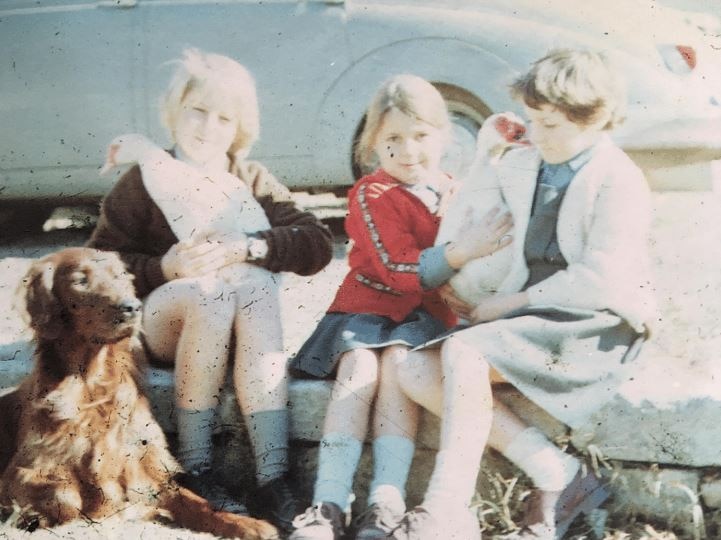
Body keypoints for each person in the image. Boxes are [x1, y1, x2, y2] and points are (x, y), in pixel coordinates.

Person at [386, 48, 656, 540]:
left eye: (550, 126)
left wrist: (509, 305)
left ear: (595, 118)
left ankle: (446, 508)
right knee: (414, 368)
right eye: (532, 121)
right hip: (531, 320)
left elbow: (601, 279)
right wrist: (489, 154)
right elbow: (468, 214)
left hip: (594, 324)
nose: (535, 135)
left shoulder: (618, 178)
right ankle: (559, 472)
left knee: (464, 353)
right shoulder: (529, 161)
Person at [86, 48, 334, 534]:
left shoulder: (248, 177)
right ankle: (195, 466)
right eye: (197, 110)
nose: (208, 126)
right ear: (173, 112)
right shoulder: (144, 180)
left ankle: (272, 475)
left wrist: (249, 246)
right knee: (209, 294)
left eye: (225, 117)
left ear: (240, 126)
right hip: (171, 326)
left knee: (258, 286)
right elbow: (99, 267)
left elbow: (317, 244)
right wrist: (163, 266)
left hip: (245, 333)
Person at [287, 74, 512, 540]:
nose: (408, 150)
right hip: (367, 310)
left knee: (397, 372)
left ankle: (384, 502)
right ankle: (328, 502)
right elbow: (394, 266)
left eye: (421, 135)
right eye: (393, 138)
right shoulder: (373, 193)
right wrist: (459, 254)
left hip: (423, 319)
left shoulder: (455, 190)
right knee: (360, 373)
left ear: (446, 136)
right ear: (373, 142)